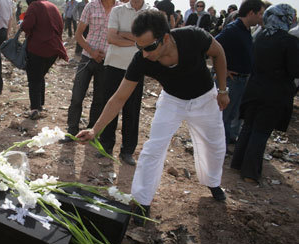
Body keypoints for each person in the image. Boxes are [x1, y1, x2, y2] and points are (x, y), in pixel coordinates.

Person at [76, 10, 229, 225]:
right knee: (152, 149)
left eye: (149, 47)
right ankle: (141, 202)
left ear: (165, 38)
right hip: (172, 101)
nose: (145, 53)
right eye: (140, 47)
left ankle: (213, 182)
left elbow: (219, 53)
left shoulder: (193, 36)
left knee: (214, 145)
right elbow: (118, 98)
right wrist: (95, 130)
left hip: (205, 99)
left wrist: (222, 90)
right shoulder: (141, 59)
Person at [231, 4, 299, 183]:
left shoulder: (260, 36)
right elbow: (294, 71)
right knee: (260, 132)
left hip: (254, 89)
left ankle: (237, 164)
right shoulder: (289, 41)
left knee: (248, 128)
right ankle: (250, 174)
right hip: (273, 94)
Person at [97, 0, 150, 165]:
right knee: (110, 105)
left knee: (132, 111)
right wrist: (137, 41)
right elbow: (112, 38)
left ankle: (127, 151)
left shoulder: (150, 12)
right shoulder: (117, 10)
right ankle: (106, 146)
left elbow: (149, 41)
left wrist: (124, 34)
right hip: (114, 64)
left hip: (137, 67)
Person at [60, 0, 118, 143]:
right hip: (87, 58)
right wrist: (92, 51)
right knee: (77, 96)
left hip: (107, 61)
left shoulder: (119, 9)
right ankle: (71, 130)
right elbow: (78, 34)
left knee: (99, 99)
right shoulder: (91, 6)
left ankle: (91, 132)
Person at [216, 0, 265, 146]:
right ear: (251, 13)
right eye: (260, 14)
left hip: (240, 81)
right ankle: (218, 148)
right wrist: (222, 71)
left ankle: (224, 144)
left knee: (231, 116)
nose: (262, 17)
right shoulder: (233, 29)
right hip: (232, 81)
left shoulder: (244, 30)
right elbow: (213, 47)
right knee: (223, 117)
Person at [20, 0, 68, 119]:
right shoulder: (52, 6)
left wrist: (21, 24)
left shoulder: (34, 6)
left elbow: (27, 25)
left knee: (34, 79)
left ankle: (35, 109)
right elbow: (60, 26)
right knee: (40, 76)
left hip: (38, 48)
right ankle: (40, 104)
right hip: (54, 49)